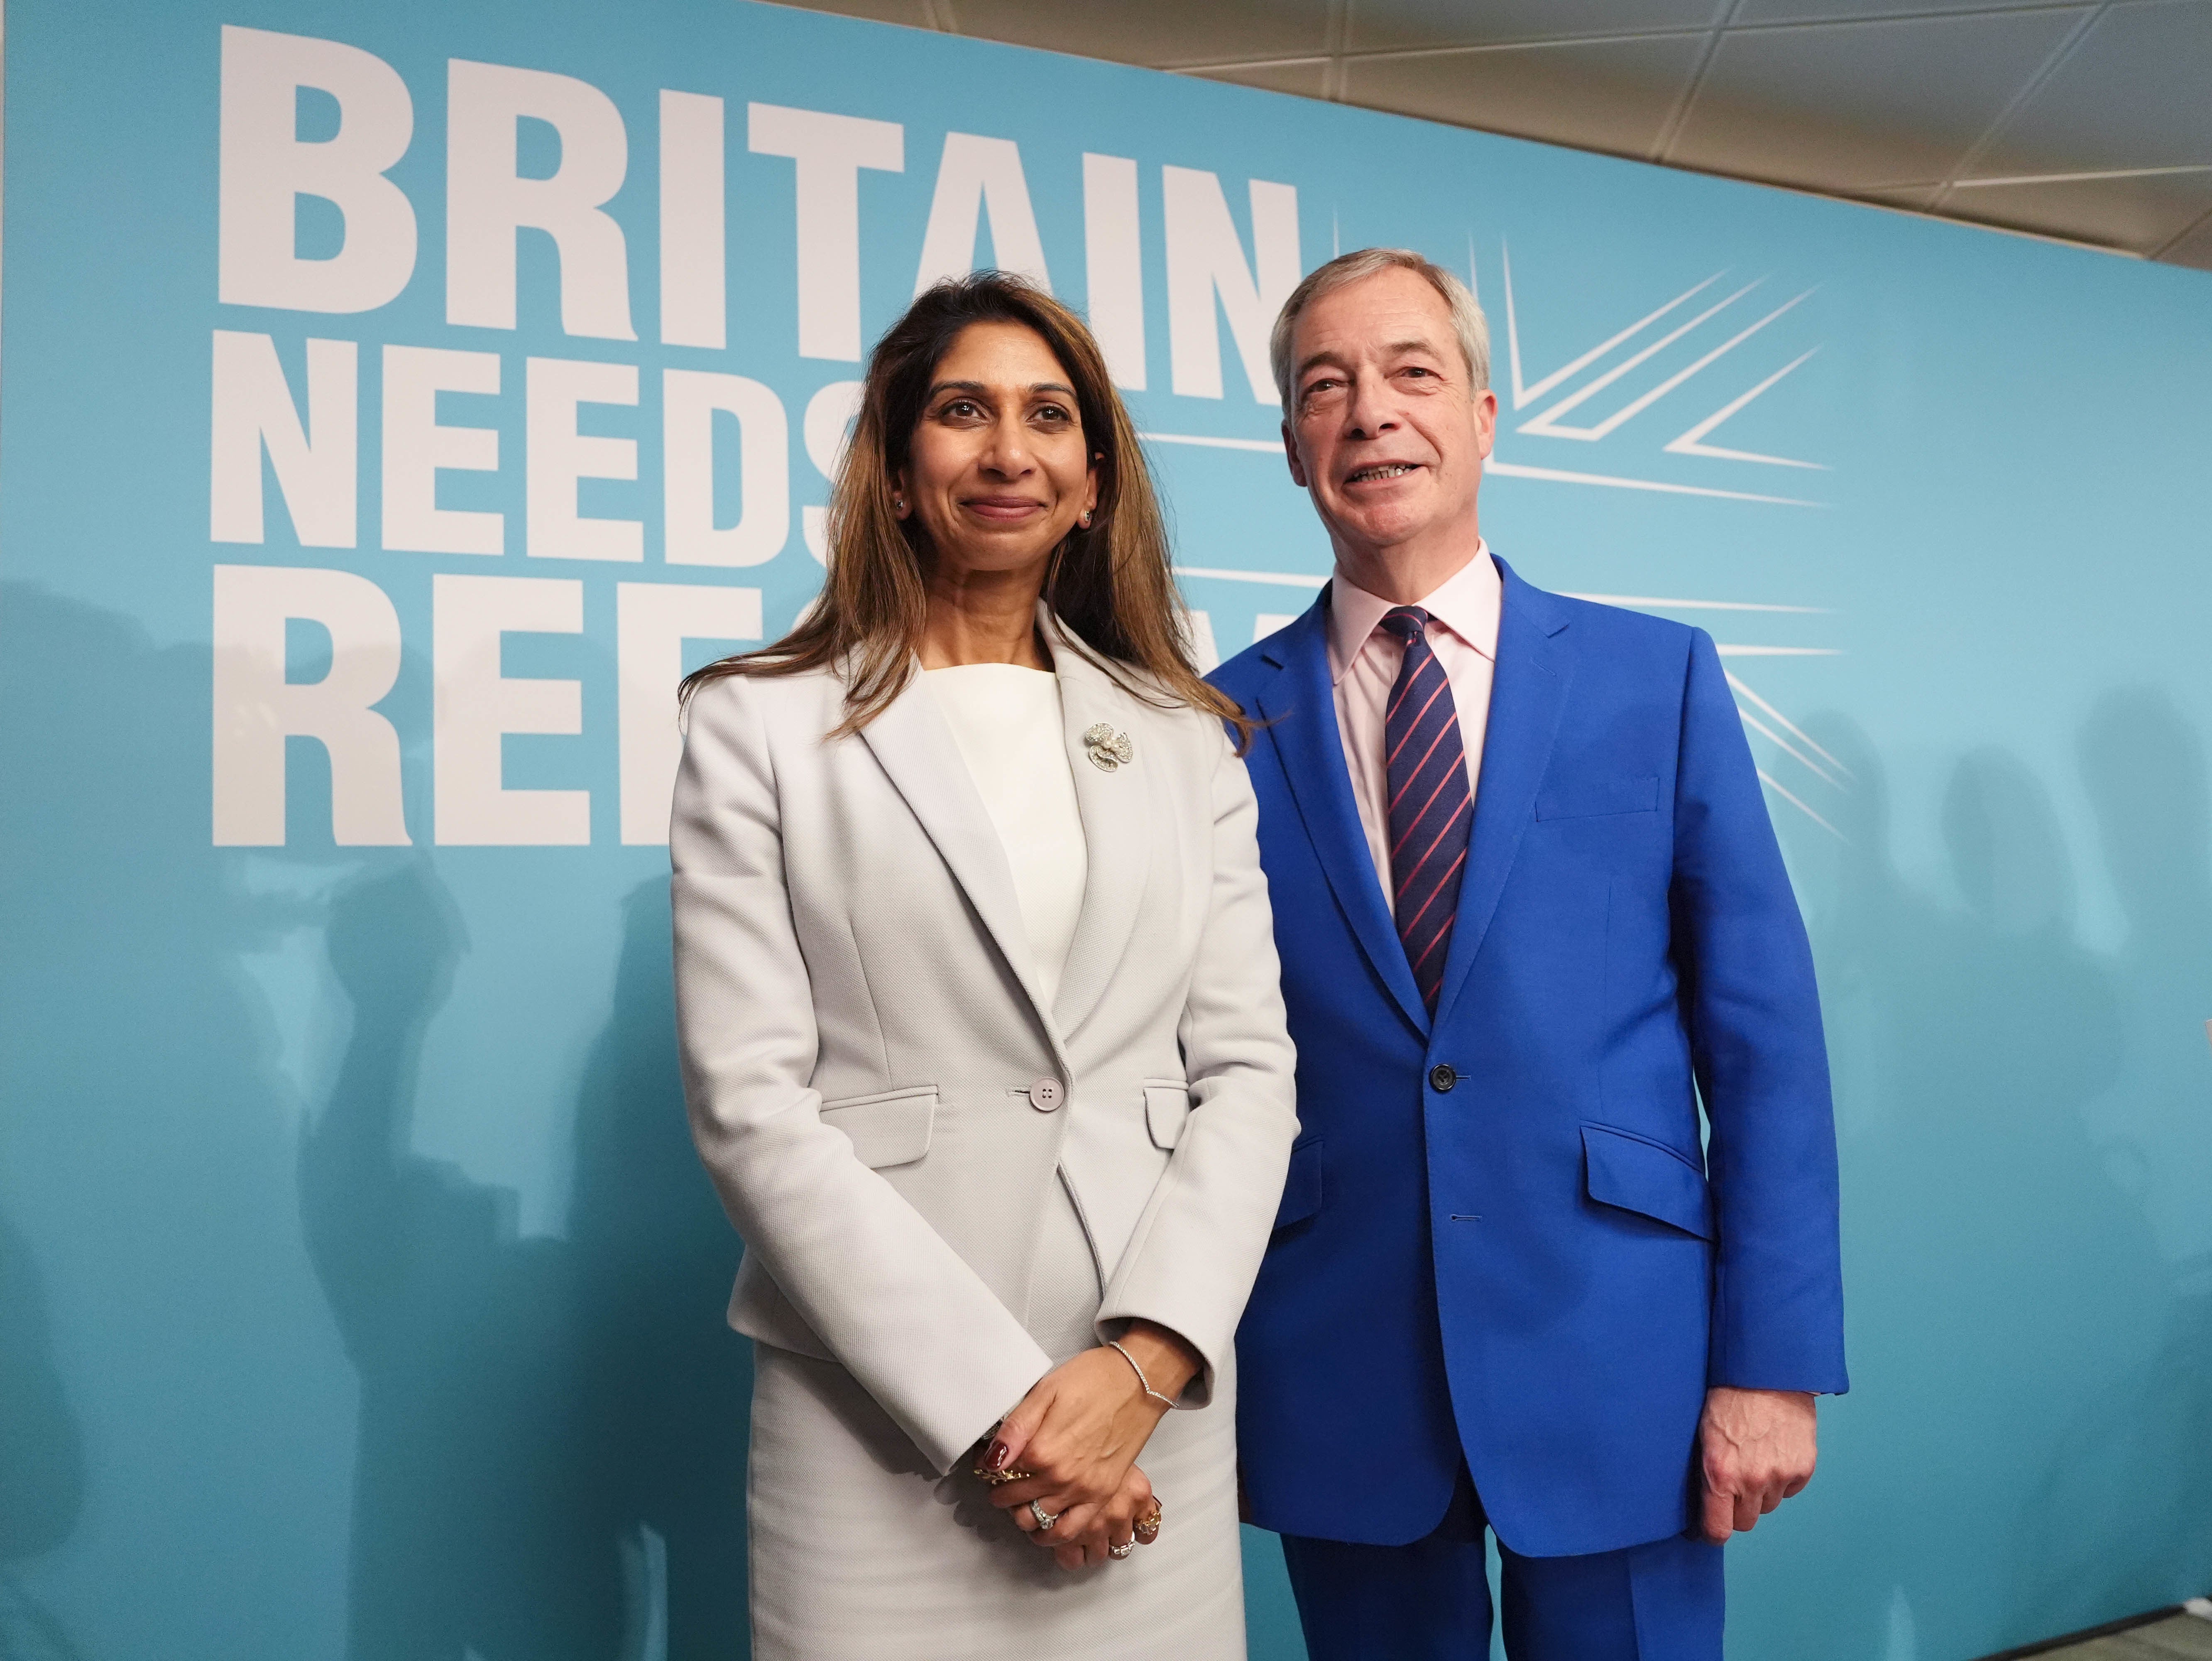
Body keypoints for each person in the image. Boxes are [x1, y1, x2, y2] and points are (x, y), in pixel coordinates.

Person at [1210, 247, 1848, 1660]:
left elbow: (1765, 1048)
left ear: (1486, 416)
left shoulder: (1655, 676)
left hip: (1624, 1357)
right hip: (1337, 1359)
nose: (1373, 412)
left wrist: (1774, 1366)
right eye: (1329, 387)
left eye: (1412, 374)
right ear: (1293, 446)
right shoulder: (1217, 725)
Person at [669, 272, 1298, 1661]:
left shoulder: (1189, 737)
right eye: (963, 412)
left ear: (1091, 484)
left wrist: (1141, 1366)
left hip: (1148, 1404)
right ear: (896, 472)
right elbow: (749, 1107)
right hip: (877, 1415)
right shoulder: (755, 725)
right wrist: (1005, 1414)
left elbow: (1250, 1075)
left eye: (1048, 418)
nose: (1009, 450)